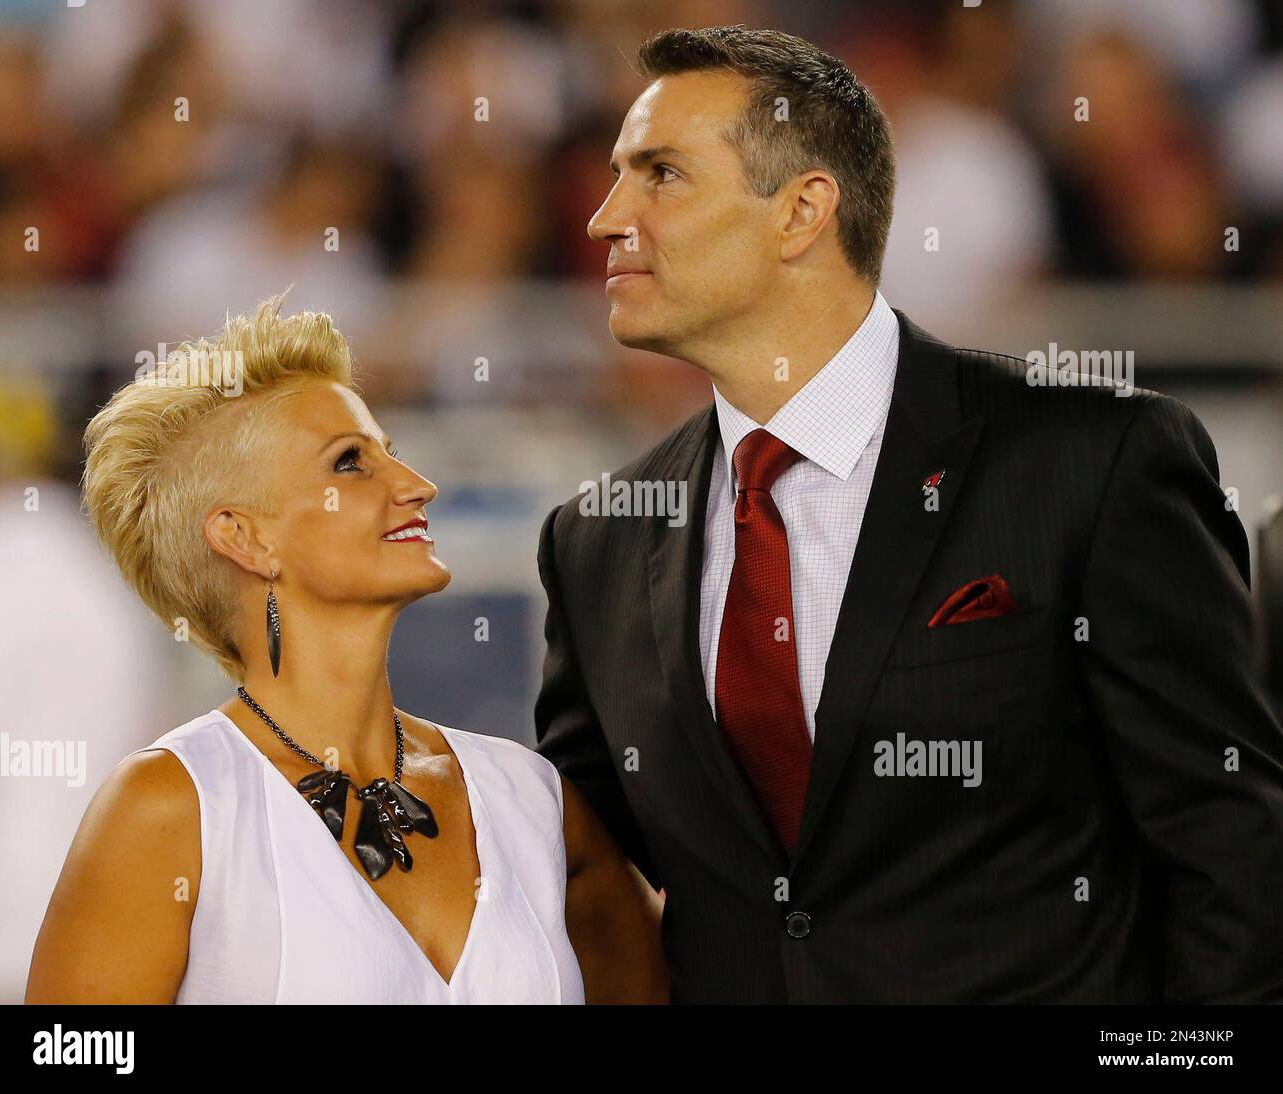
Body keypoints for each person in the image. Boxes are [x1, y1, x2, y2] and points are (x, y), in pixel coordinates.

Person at [534, 26, 1283, 1003]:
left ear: (801, 211)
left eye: (659, 173)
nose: (603, 217)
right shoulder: (596, 540)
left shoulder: (1092, 461)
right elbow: (578, 867)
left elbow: (1228, 837)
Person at [26, 293, 667, 1004]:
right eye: (352, 463)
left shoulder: (532, 800)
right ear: (245, 536)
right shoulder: (170, 807)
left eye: (391, 453)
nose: (418, 486)